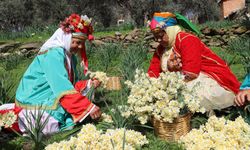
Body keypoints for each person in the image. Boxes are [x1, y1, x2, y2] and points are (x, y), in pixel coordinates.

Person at [0, 14, 102, 134]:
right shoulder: (53, 54)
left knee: (67, 117)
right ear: (67, 38)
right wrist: (86, 107)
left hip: (49, 95)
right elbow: (62, 86)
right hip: (34, 98)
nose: (80, 47)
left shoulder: (69, 56)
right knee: (51, 124)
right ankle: (8, 118)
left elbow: (70, 84)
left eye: (82, 44)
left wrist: (89, 84)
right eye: (77, 42)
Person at [147, 12, 241, 111]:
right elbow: (153, 71)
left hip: (203, 76)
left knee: (192, 93)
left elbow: (191, 73)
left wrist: (168, 87)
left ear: (170, 30)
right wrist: (150, 85)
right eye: (155, 36)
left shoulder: (187, 40)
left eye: (161, 35)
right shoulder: (160, 49)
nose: (158, 40)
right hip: (176, 81)